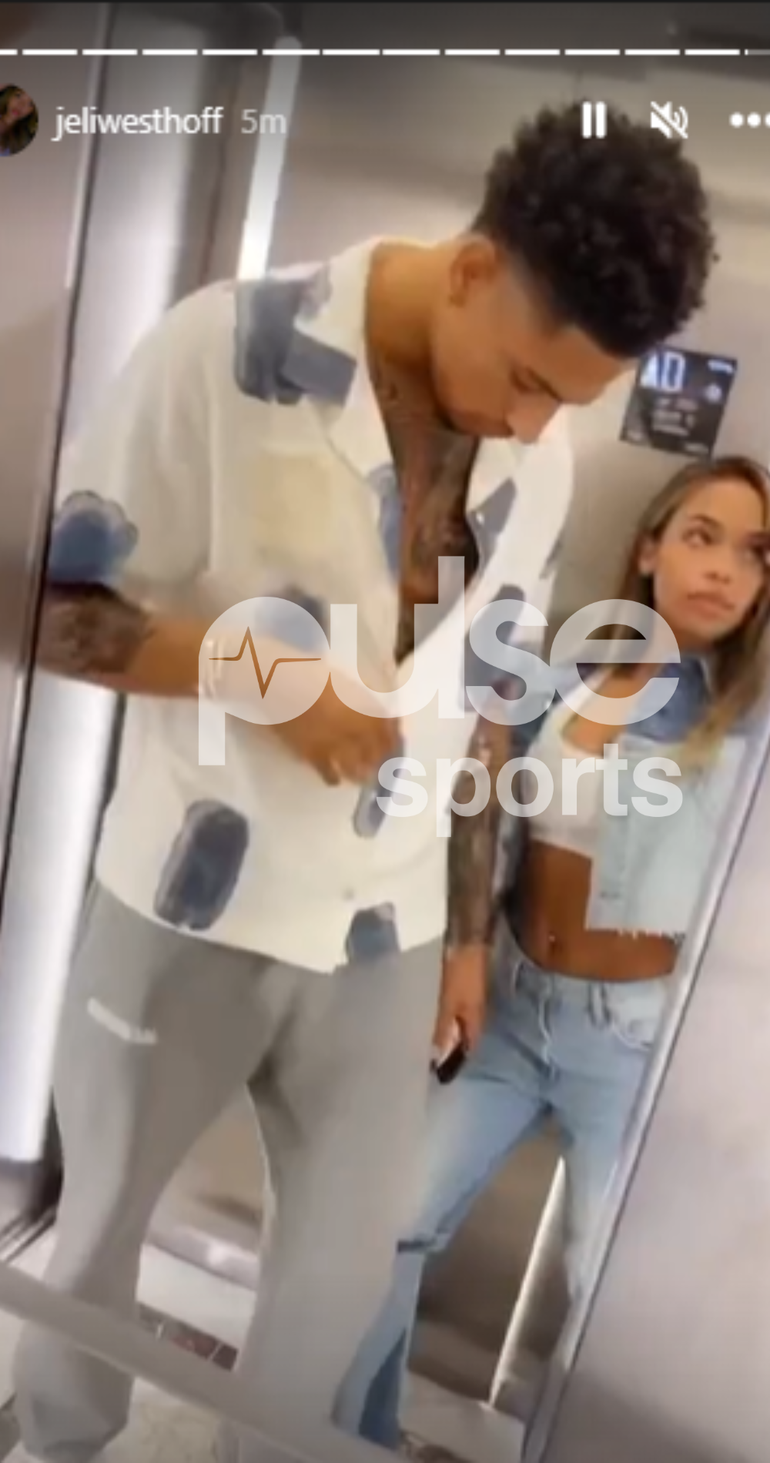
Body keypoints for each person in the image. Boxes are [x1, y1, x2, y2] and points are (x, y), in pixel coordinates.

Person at [13, 104, 714, 1463]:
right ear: (470, 268)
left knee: (335, 1283)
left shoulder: (540, 453)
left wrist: (466, 933)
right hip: (187, 900)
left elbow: (480, 699)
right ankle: (55, 1441)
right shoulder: (220, 349)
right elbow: (47, 607)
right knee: (96, 1229)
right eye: (525, 379)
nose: (532, 423)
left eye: (565, 403)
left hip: (386, 928)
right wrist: (259, 676)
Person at [335, 454, 770, 1453]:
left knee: (611, 1305)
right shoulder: (564, 672)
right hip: (510, 1011)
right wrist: (464, 949)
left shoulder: (748, 720)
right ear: (649, 547)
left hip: (641, 1054)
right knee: (386, 1226)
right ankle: (356, 1438)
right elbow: (479, 809)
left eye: (754, 554)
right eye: (700, 536)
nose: (723, 568)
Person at [0, 85, 37, 155]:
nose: (20, 105)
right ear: (10, 95)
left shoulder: (25, 143)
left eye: (30, 103)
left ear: (33, 111)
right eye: (18, 95)